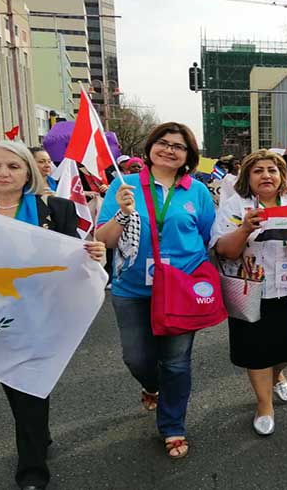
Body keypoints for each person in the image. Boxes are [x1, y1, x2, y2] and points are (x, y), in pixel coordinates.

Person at [0, 140, 105, 490]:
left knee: (28, 383)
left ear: (28, 171)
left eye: (13, 166)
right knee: (14, 385)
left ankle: (32, 468)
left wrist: (93, 254)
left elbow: (72, 258)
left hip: (41, 315)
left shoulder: (55, 210)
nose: (3, 173)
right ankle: (38, 435)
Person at [96, 122, 216, 459]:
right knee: (136, 357)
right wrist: (122, 212)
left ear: (188, 156)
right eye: (162, 143)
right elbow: (103, 241)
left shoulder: (198, 192)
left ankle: (173, 425)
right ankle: (151, 386)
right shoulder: (125, 186)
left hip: (180, 288)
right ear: (150, 148)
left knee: (176, 362)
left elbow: (205, 238)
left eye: (178, 146)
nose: (169, 150)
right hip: (132, 287)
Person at [211, 150, 287, 436]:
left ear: (282, 176)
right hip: (250, 290)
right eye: (258, 170)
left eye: (272, 170)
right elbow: (225, 251)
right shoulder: (234, 206)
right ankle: (264, 405)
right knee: (257, 351)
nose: (266, 175)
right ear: (248, 177)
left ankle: (277, 373)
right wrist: (244, 229)